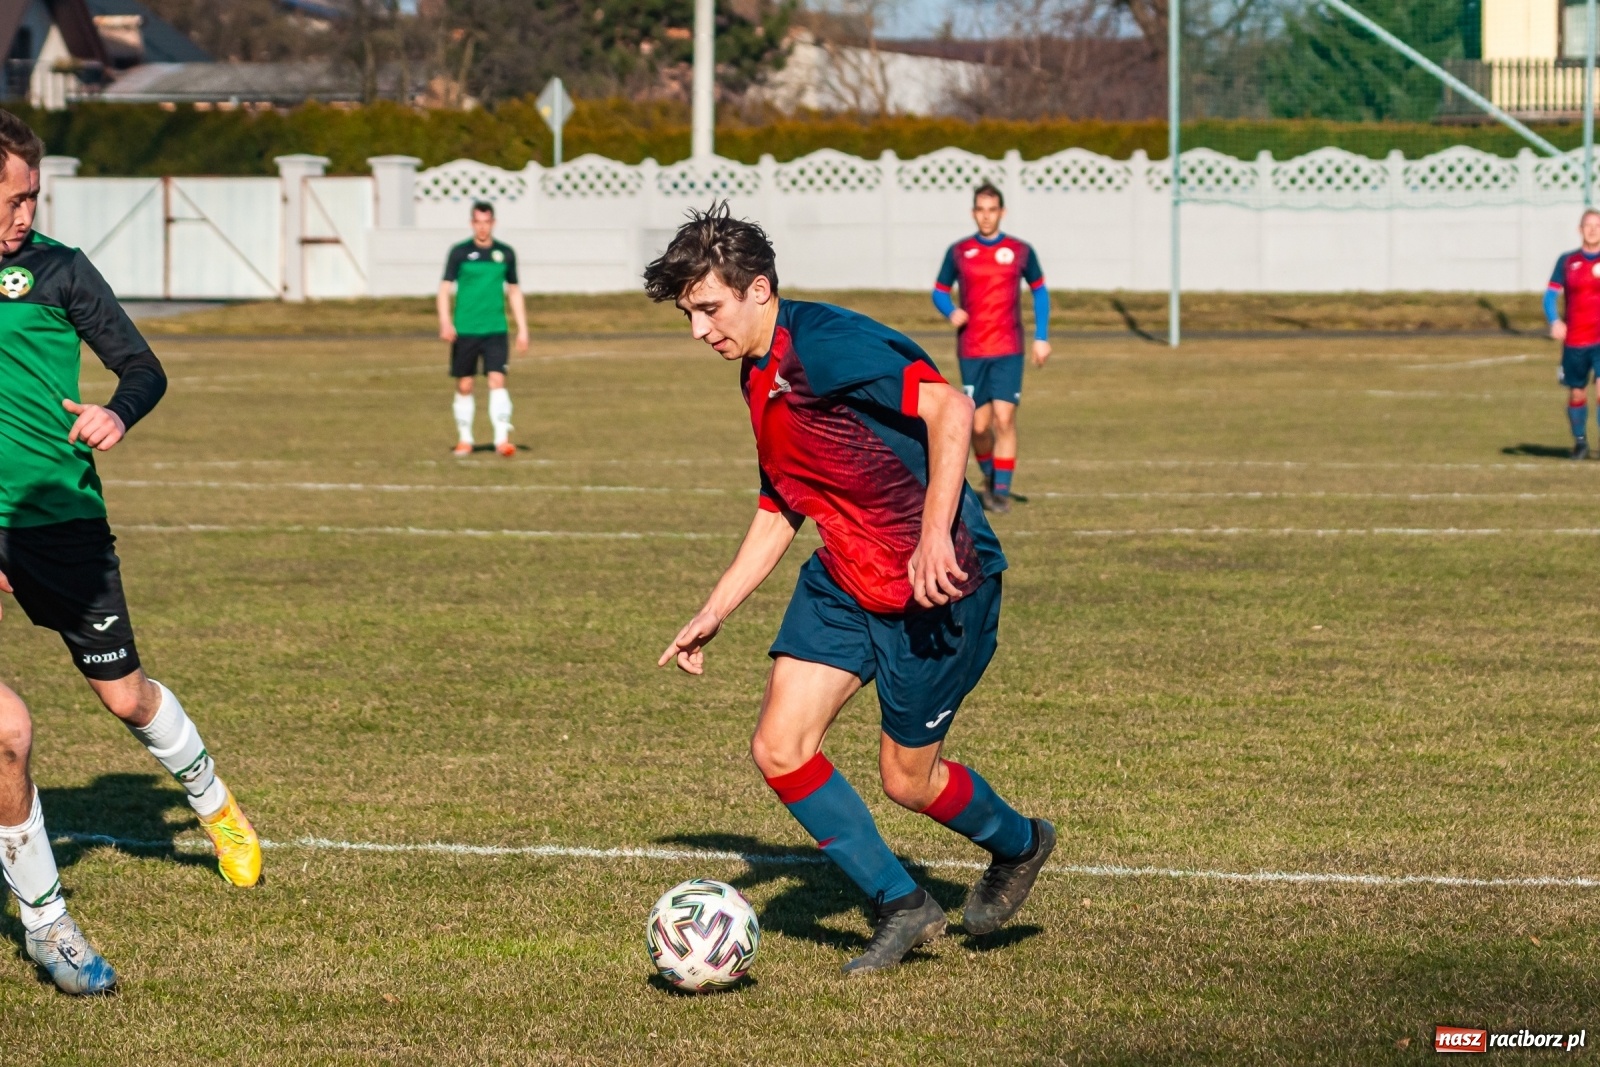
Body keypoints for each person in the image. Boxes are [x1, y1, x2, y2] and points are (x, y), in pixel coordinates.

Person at [647, 204, 1055, 977]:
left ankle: (1021, 841)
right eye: (689, 313)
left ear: (757, 288)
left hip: (937, 589)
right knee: (779, 746)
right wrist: (713, 609)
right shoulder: (757, 374)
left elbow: (950, 406)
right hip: (844, 577)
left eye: (707, 308)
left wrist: (935, 533)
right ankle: (903, 903)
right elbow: (781, 503)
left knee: (909, 779)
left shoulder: (826, 343)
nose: (699, 329)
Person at [0, 109, 260, 995]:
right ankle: (46, 921)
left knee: (124, 697)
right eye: (10, 199)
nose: (23, 215)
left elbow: (142, 367)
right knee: (6, 734)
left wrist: (117, 410)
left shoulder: (59, 270)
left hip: (60, 519)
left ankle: (212, 799)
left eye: (31, 197)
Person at [931, 183, 1051, 513]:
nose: (986, 216)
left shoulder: (1020, 251)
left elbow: (1040, 292)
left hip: (1009, 348)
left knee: (1004, 420)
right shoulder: (959, 252)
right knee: (979, 426)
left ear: (1002, 212)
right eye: (980, 210)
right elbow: (939, 291)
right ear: (974, 213)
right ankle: (989, 473)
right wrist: (951, 310)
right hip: (972, 349)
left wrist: (1042, 337)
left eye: (992, 210)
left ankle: (1000, 493)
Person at [438, 201, 529, 457]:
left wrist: (522, 328)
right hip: (465, 330)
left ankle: (502, 440)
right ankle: (465, 439)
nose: (482, 227)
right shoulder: (459, 253)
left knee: (497, 380)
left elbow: (514, 291)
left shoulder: (505, 253)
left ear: (493, 223)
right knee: (465, 385)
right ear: (472, 223)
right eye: (477, 222)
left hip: (495, 329)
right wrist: (445, 321)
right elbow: (444, 289)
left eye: (486, 222)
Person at [1546, 208, 1600, 460]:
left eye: (1597, 225)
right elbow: (1549, 296)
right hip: (1576, 341)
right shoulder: (1567, 261)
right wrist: (1555, 320)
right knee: (1577, 393)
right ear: (1580, 230)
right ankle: (1580, 442)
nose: (1592, 230)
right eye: (1588, 225)